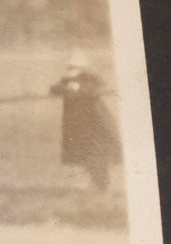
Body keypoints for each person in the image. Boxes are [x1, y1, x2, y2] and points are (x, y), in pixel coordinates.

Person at [51, 53, 120, 189]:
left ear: (83, 68)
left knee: (97, 153)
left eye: (74, 67)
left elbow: (97, 89)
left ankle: (101, 184)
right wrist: (68, 87)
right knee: (84, 154)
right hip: (78, 125)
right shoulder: (67, 80)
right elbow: (54, 89)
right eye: (70, 67)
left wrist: (78, 88)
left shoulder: (91, 79)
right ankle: (95, 182)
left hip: (95, 123)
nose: (71, 70)